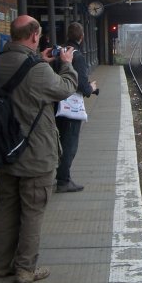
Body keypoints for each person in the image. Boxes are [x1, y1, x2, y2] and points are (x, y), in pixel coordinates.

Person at [0, 15, 78, 283]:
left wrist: (40, 61)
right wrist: (67, 65)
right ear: (35, 36)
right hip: (34, 152)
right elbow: (64, 89)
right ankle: (26, 268)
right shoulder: (37, 69)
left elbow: (20, 80)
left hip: (3, 150)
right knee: (32, 211)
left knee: (4, 208)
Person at [54, 22, 97, 193]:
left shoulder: (59, 52)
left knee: (60, 142)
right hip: (70, 107)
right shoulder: (76, 56)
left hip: (56, 103)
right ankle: (63, 181)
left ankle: (60, 176)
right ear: (82, 37)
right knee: (69, 143)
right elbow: (82, 85)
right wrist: (92, 87)